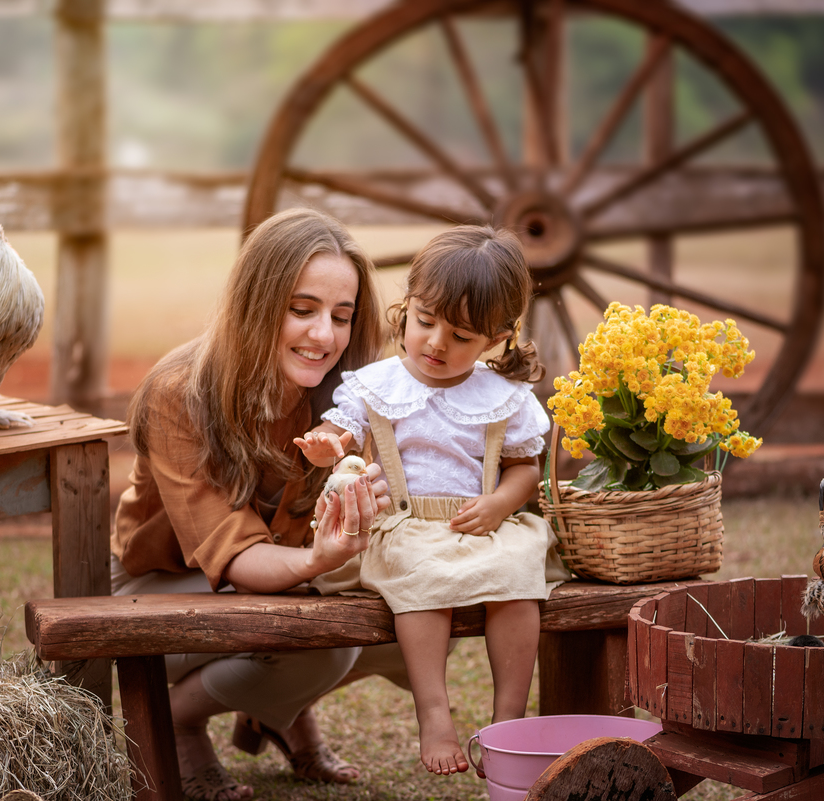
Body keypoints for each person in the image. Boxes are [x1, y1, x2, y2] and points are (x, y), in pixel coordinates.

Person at [110, 207, 402, 801]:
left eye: (341, 316)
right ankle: (177, 719)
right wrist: (319, 564)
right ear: (256, 301)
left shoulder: (347, 393)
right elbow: (240, 558)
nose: (324, 335)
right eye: (302, 310)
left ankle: (278, 710)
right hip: (158, 585)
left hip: (277, 581)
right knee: (325, 638)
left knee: (419, 608)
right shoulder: (179, 391)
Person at [295, 225, 571, 777]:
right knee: (420, 580)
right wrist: (330, 445)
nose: (437, 344)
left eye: (463, 337)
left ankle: (508, 720)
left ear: (496, 339)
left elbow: (524, 470)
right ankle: (434, 711)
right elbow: (339, 431)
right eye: (425, 322)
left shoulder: (502, 396)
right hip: (403, 526)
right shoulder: (377, 384)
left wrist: (499, 505)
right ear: (407, 309)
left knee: (520, 579)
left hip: (479, 525)